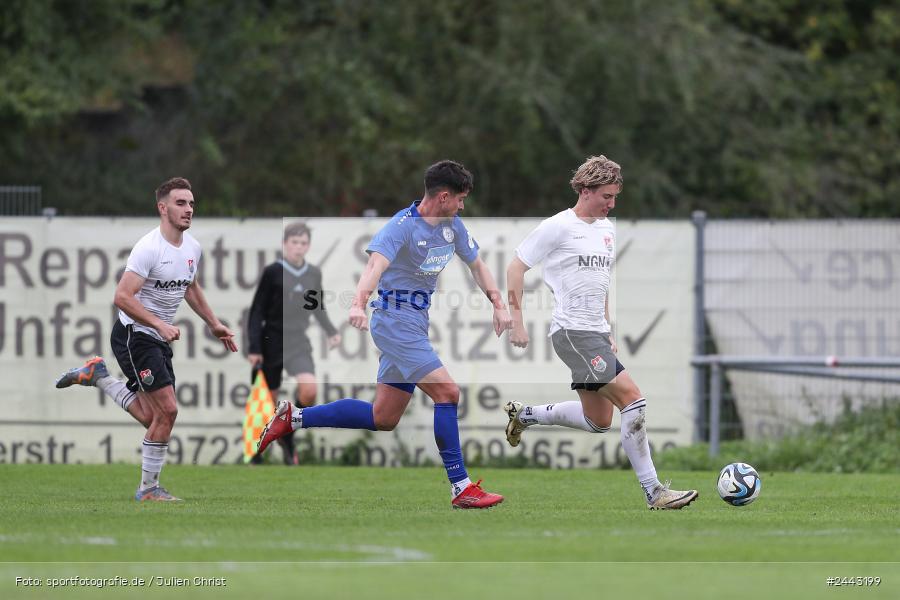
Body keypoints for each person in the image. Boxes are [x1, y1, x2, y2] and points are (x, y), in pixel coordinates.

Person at [257, 160, 513, 508]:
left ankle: (294, 417)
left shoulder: (452, 226)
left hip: (415, 321)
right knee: (448, 393)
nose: (462, 206)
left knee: (384, 417)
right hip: (394, 321)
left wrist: (498, 303)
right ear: (442, 197)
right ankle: (461, 487)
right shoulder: (402, 226)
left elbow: (477, 265)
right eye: (460, 199)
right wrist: (358, 304)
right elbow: (375, 266)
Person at [504, 155, 698, 510]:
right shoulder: (558, 226)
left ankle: (526, 415)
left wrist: (606, 327)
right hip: (572, 332)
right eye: (606, 196)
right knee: (633, 398)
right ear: (585, 190)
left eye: (615, 197)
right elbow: (515, 267)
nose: (612, 203)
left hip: (593, 332)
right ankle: (655, 492)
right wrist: (517, 320)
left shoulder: (607, 230)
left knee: (598, 421)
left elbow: (601, 283)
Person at [55, 177, 238, 501]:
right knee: (167, 412)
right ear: (162, 207)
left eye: (192, 203)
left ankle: (99, 377)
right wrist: (159, 324)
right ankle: (148, 490)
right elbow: (122, 297)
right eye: (181, 203)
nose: (188, 209)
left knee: (157, 418)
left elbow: (190, 287)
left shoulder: (192, 247)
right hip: (134, 335)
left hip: (156, 338)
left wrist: (213, 323)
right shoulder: (149, 248)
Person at [247, 221, 341, 464]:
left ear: (308, 245)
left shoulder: (313, 273)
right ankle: (257, 452)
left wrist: (331, 331)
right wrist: (255, 347)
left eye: (303, 243)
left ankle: (287, 433)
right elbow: (257, 310)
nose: (298, 247)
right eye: (294, 242)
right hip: (272, 340)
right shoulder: (273, 272)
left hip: (298, 340)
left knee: (309, 390)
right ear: (285, 244)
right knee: (267, 400)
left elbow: (317, 307)